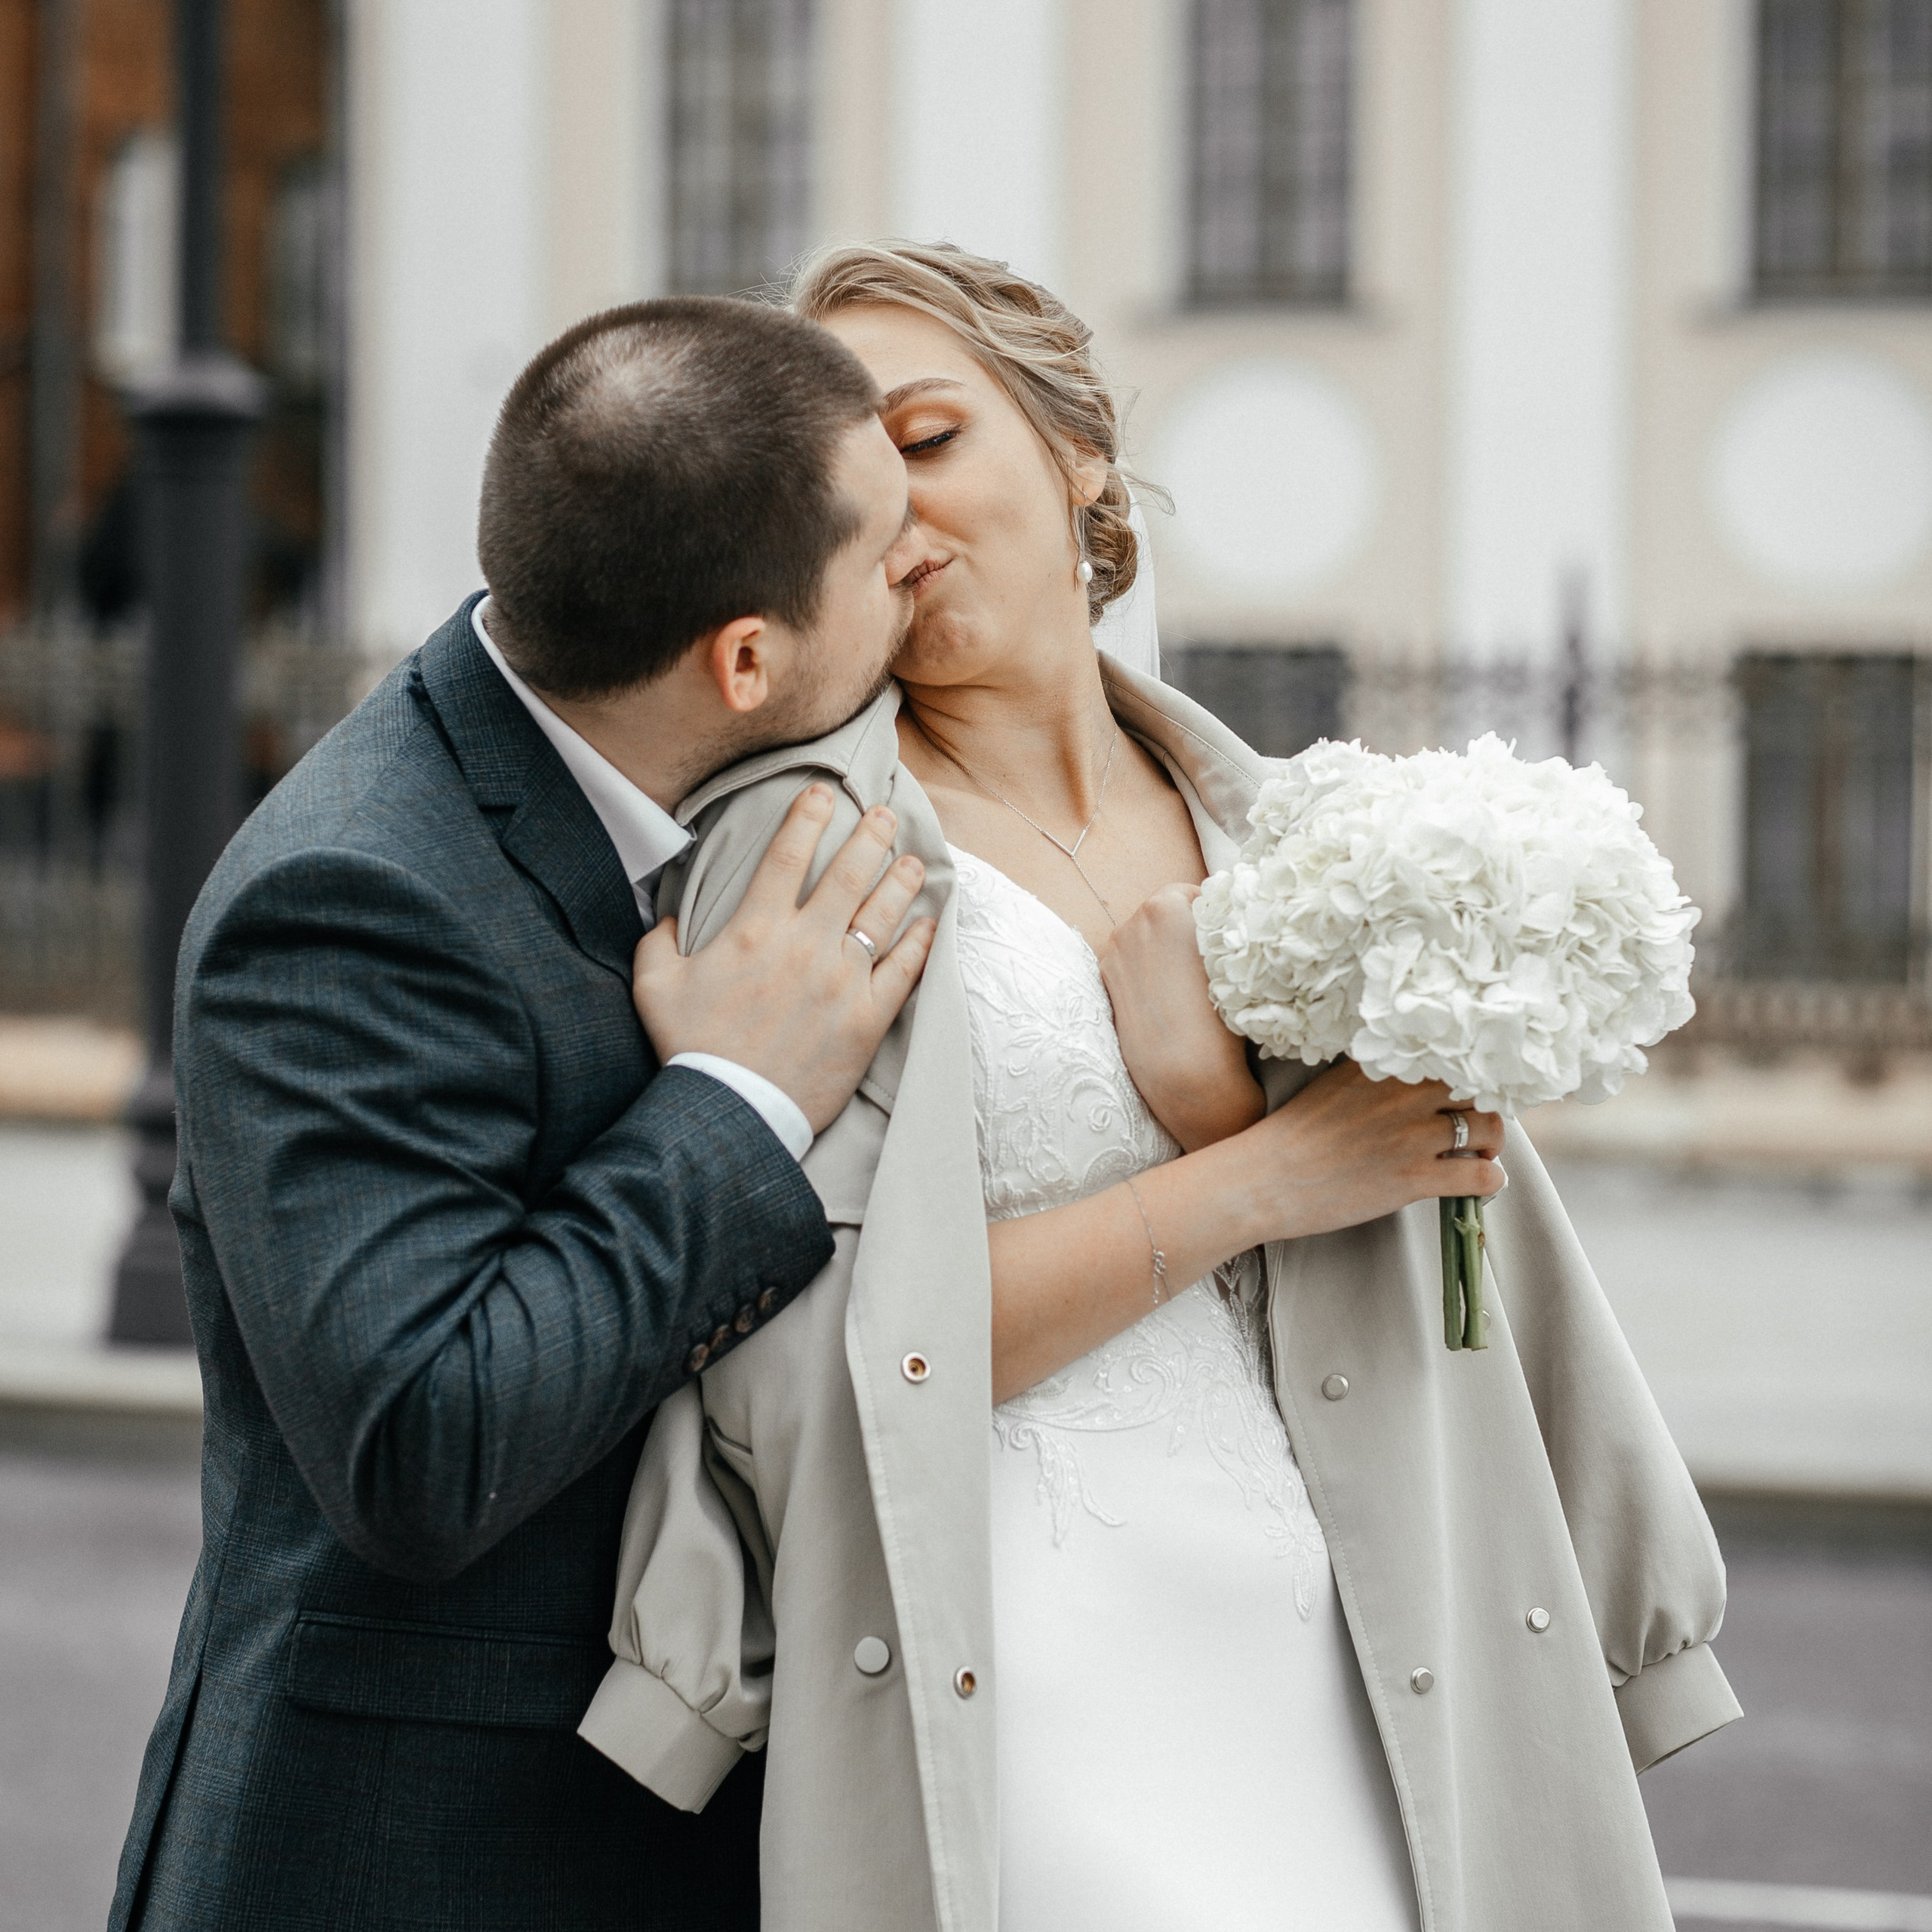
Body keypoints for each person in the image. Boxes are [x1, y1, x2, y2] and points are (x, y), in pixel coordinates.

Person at [583, 245, 1741, 1932]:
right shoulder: (808, 850)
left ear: (1077, 458)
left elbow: (1445, 1247)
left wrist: (1226, 1110)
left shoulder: (1278, 828)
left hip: (1345, 1629)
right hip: (1024, 1660)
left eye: (922, 439)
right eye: (826, 489)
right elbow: (832, 1363)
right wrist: (1259, 1171)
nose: (884, 517)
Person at [107, 297, 939, 1932]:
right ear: (746, 655)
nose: (921, 566)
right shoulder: (350, 897)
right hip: (409, 1856)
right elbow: (425, 1437)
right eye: (883, 545)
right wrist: (738, 1093)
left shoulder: (685, 760)